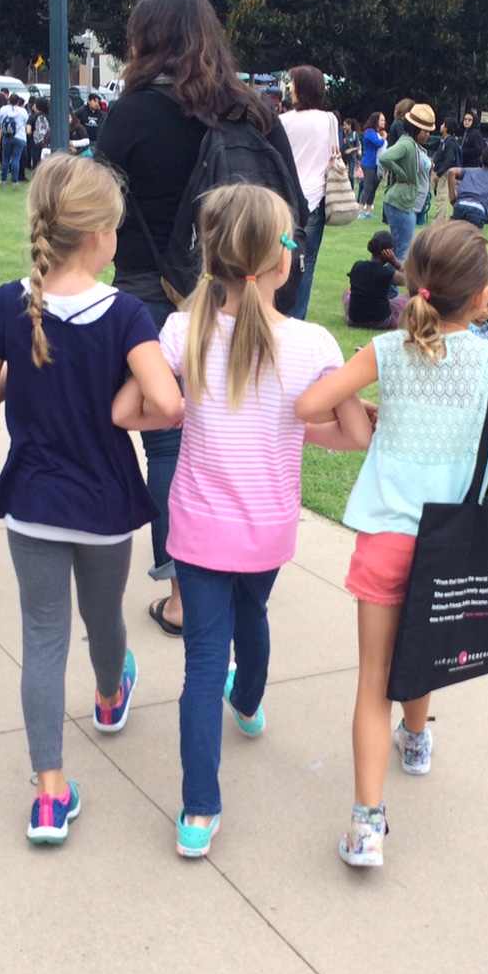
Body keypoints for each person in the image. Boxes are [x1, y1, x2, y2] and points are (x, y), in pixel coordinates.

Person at [111, 184, 370, 858]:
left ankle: (199, 811)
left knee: (202, 664)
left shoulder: (181, 332)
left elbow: (130, 412)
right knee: (253, 615)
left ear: (211, 258)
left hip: (197, 527)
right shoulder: (313, 344)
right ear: (284, 261)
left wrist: (180, 415)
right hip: (269, 527)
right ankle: (249, 703)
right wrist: (297, 428)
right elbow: (350, 434)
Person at [295, 221, 488, 867]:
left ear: (417, 282)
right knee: (428, 643)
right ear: (479, 295)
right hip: (450, 542)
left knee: (372, 682)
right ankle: (416, 738)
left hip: (386, 535)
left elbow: (309, 405)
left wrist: (365, 415)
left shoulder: (386, 350)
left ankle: (366, 826)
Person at [0, 155, 182, 844]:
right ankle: (111, 696)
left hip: (31, 502)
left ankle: (50, 794)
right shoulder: (125, 314)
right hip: (105, 505)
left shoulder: (8, 304)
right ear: (98, 237)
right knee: (103, 616)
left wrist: (19, 373)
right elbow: (168, 402)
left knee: (43, 637)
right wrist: (124, 400)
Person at [94, 0, 303, 637]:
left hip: (152, 290)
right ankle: (243, 568)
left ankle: (186, 592)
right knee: (239, 432)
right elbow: (292, 209)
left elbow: (101, 208)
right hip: (243, 291)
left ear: (145, 40)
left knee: (167, 439)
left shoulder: (130, 116)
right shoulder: (255, 114)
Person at [280, 66, 338, 320]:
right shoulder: (329, 120)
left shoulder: (282, 122)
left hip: (285, 197)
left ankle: (276, 315)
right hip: (315, 199)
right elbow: (333, 156)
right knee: (307, 264)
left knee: (277, 259)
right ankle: (297, 320)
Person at [377, 102, 436, 259]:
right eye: (425, 131)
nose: (428, 135)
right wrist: (402, 174)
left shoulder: (414, 145)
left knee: (398, 252)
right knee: (402, 254)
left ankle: (387, 275)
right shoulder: (407, 144)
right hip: (402, 204)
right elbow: (385, 157)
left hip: (405, 204)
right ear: (415, 128)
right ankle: (394, 276)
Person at [343, 229, 408, 328]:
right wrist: (395, 262)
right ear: (391, 251)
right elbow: (410, 278)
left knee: (347, 293)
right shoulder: (386, 273)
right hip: (381, 321)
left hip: (354, 320)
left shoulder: (357, 266)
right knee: (407, 298)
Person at [431, 116, 461, 222]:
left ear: (446, 128)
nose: (441, 126)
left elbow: (448, 160)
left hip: (446, 173)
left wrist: (439, 174)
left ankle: (440, 220)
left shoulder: (450, 142)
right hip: (443, 172)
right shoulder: (443, 141)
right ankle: (441, 218)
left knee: (442, 196)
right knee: (440, 196)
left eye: (443, 124)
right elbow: (431, 146)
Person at [357, 112, 387, 213]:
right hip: (368, 163)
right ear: (376, 121)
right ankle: (360, 210)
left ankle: (368, 210)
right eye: (381, 120)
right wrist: (383, 138)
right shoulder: (369, 132)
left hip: (375, 163)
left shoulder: (375, 133)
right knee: (368, 187)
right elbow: (378, 144)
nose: (384, 122)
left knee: (373, 187)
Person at [0, 92, 28, 184]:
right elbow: (26, 122)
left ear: (9, 100)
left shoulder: (3, 109)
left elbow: (0, 120)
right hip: (20, 136)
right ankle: (14, 180)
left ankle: (3, 179)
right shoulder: (23, 111)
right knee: (16, 158)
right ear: (18, 101)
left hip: (7, 136)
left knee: (6, 158)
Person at [341, 117, 361, 190]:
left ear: (350, 125)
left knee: (351, 176)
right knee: (342, 174)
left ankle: (351, 189)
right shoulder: (343, 134)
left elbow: (358, 147)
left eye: (345, 125)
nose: (344, 127)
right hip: (344, 157)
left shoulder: (354, 134)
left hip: (352, 157)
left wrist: (351, 150)